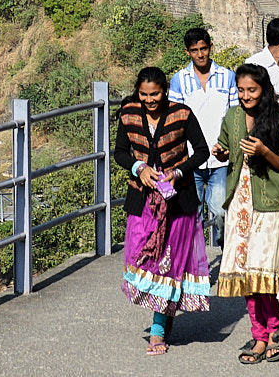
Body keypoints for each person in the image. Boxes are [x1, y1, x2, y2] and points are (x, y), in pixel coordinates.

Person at [114, 66, 213, 353]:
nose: (149, 100)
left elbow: (202, 151)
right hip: (142, 200)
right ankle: (165, 311)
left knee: (167, 262)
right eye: (144, 95)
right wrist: (138, 168)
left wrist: (178, 172)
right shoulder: (129, 113)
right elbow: (120, 151)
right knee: (141, 256)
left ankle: (158, 328)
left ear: (165, 91)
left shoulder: (182, 114)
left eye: (155, 94)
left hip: (178, 201)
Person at [214, 63, 279, 364]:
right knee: (246, 272)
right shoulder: (233, 117)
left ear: (264, 91)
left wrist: (264, 152)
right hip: (239, 203)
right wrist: (220, 152)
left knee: (263, 271)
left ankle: (276, 329)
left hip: (269, 202)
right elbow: (225, 147)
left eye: (252, 90)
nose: (246, 95)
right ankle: (259, 334)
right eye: (241, 90)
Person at [169, 28, 238, 255]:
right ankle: (198, 268)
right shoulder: (179, 80)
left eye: (204, 49)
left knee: (220, 211)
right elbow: (174, 120)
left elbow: (235, 114)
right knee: (193, 215)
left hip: (220, 158)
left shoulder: (227, 77)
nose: (200, 54)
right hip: (191, 160)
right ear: (188, 52)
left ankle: (224, 248)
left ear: (210, 47)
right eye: (195, 50)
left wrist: (229, 146)